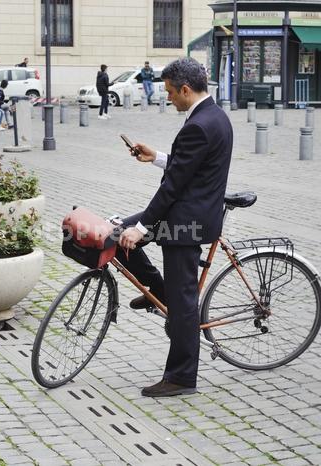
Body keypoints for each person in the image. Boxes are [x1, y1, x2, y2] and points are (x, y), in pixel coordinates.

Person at [115, 57, 233, 397]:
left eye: (170, 93)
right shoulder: (215, 116)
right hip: (185, 213)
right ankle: (158, 291)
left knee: (183, 303)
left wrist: (143, 227)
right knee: (116, 234)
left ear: (185, 89)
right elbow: (187, 167)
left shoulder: (199, 125)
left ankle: (182, 378)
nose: (168, 99)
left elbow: (173, 187)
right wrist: (157, 158)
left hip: (187, 223)